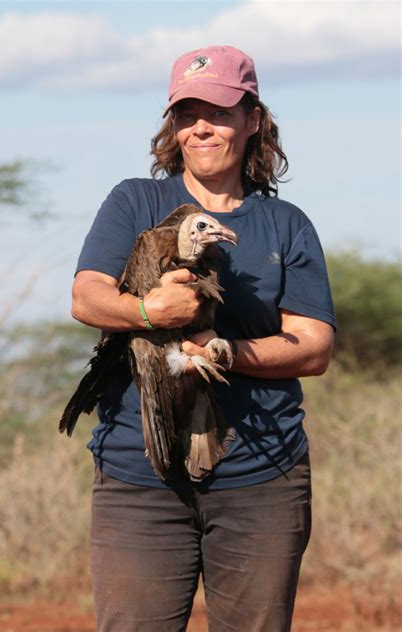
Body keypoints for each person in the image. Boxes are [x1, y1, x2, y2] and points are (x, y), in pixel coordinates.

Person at [72, 45, 336, 632]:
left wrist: (225, 352)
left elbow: (313, 346)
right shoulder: (134, 201)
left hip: (261, 475)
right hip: (140, 473)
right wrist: (149, 310)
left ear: (252, 120)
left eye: (217, 112)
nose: (200, 127)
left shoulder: (285, 224)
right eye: (186, 113)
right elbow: (85, 297)